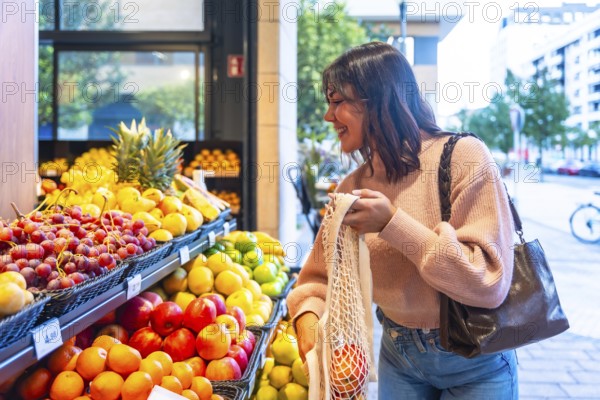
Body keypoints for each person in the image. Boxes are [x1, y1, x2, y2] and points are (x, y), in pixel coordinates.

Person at [287, 42, 518, 399]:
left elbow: (488, 281)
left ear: (378, 100)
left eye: (337, 102)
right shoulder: (353, 187)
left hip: (474, 357)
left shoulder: (464, 157)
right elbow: (317, 280)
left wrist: (393, 224)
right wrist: (307, 326)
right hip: (398, 356)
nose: (328, 117)